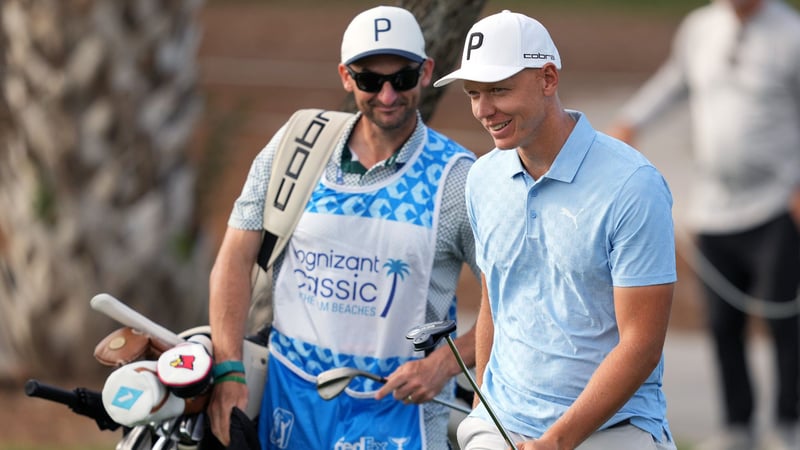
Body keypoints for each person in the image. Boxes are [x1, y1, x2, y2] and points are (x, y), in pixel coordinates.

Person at [205, 5, 480, 450]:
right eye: (371, 80)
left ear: (427, 72)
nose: (388, 95)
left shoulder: (458, 178)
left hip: (402, 419)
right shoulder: (296, 146)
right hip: (289, 409)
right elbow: (234, 259)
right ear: (346, 77)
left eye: (403, 78)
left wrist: (443, 366)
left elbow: (512, 301)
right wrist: (228, 369)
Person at [432, 10, 678, 450]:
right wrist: (483, 407)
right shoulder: (482, 177)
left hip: (613, 431)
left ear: (547, 78)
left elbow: (642, 344)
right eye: (473, 93)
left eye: (499, 90)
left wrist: (558, 441)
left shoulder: (633, 185)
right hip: (501, 424)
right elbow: (496, 297)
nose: (484, 110)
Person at [607, 1, 800, 448]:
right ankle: (738, 425)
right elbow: (675, 82)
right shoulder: (700, 27)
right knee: (722, 322)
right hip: (713, 207)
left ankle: (787, 422)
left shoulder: (791, 33)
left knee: (781, 320)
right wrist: (631, 121)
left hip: (776, 204)